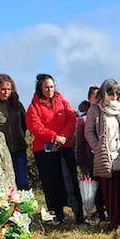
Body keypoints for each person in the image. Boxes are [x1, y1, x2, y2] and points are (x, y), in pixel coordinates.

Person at [26, 73, 84, 225]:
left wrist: (64, 136)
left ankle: (79, 214)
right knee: (52, 182)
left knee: (71, 180)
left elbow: (71, 119)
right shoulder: (33, 107)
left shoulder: (63, 102)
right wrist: (54, 137)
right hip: (45, 151)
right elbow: (35, 127)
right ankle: (58, 215)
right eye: (46, 87)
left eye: (51, 86)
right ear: (40, 88)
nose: (49, 90)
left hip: (65, 147)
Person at [84, 79, 120, 230]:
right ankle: (115, 222)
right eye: (111, 93)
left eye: (117, 93)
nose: (114, 96)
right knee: (111, 190)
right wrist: (98, 148)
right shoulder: (95, 110)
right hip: (106, 156)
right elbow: (89, 132)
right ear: (104, 93)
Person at [0, 74, 30, 190]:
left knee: (22, 182)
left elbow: (25, 125)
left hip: (19, 149)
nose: (6, 92)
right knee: (4, 184)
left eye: (9, 89)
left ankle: (24, 207)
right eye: (3, 89)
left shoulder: (18, 106)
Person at [75, 86, 107, 222]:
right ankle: (100, 213)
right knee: (96, 188)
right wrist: (81, 162)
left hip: (105, 157)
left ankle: (107, 211)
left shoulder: (106, 114)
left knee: (106, 186)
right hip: (90, 158)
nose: (98, 99)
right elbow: (80, 142)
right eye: (95, 96)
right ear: (89, 99)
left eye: (100, 96)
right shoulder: (82, 119)